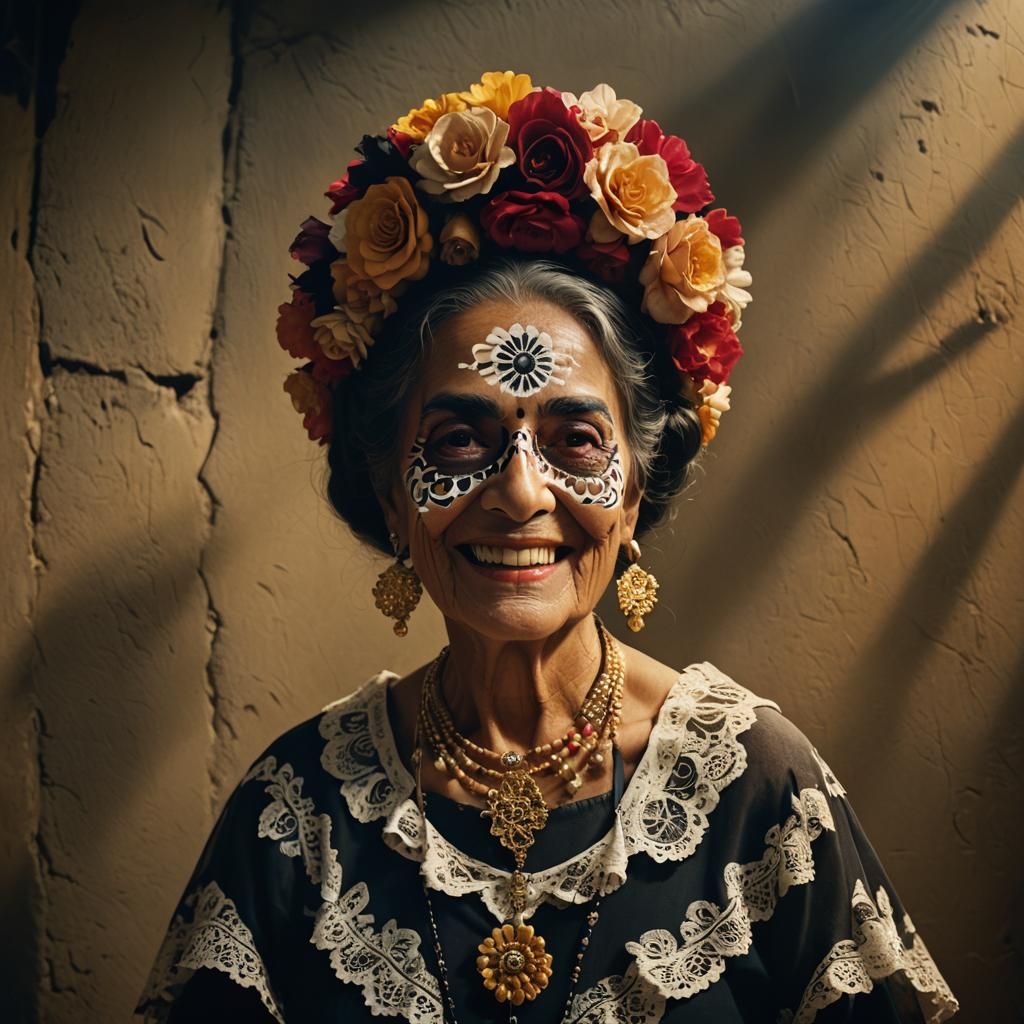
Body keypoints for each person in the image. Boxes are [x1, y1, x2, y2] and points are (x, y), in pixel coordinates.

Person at [135, 72, 958, 1023]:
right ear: (391, 494)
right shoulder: (300, 811)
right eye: (457, 441)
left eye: (575, 441)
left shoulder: (752, 785)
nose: (522, 491)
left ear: (635, 489)